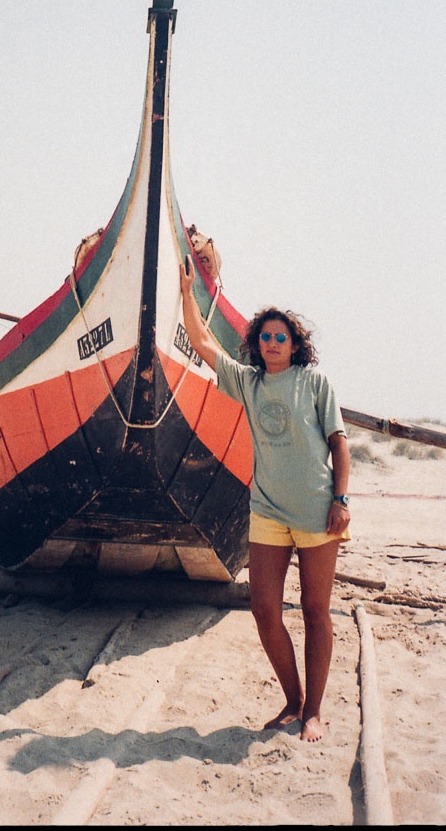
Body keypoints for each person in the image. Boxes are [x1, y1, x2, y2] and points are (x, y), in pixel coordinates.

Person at [179, 257, 351, 742]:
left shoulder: (315, 383)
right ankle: (291, 701)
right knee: (264, 610)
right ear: (256, 344)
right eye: (265, 337)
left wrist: (341, 498)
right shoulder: (249, 384)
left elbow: (340, 445)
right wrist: (188, 293)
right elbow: (202, 344)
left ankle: (313, 711)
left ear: (295, 346)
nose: (272, 343)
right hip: (268, 511)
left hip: (318, 510)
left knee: (317, 611)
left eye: (281, 337)